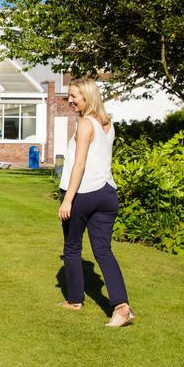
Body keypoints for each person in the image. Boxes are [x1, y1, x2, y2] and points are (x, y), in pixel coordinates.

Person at [58, 78, 134, 327]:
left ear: (88, 97)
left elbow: (79, 164)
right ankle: (122, 307)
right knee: (103, 250)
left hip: (83, 193)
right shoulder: (107, 124)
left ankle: (74, 300)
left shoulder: (84, 124)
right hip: (107, 193)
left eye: (74, 96)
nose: (69, 101)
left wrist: (68, 199)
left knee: (71, 247)